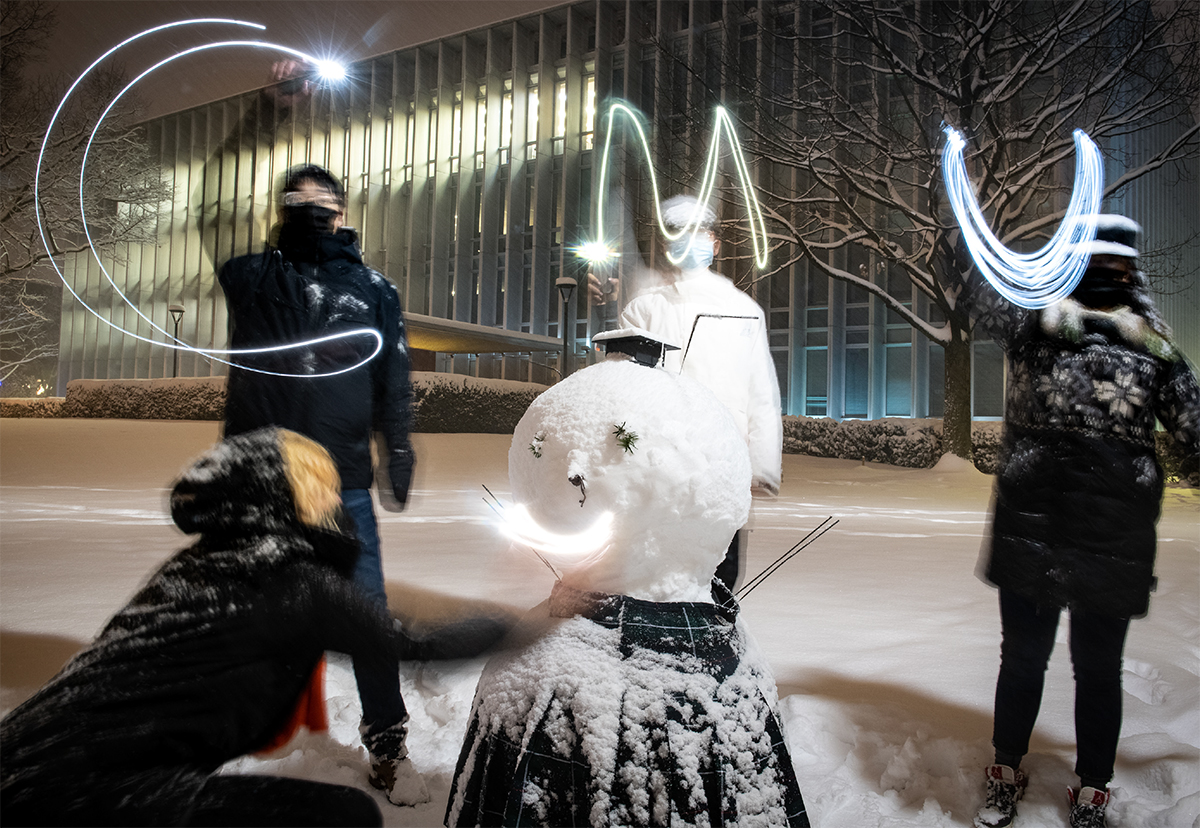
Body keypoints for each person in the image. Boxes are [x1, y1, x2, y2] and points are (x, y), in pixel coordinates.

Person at [0, 428, 405, 826]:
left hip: (40, 767)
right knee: (343, 816)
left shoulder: (198, 565)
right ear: (289, 493)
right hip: (84, 793)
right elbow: (399, 640)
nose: (336, 498)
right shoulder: (279, 577)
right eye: (324, 486)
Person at [960, 215, 1200, 828]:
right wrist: (979, 233)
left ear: (1131, 269)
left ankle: (1093, 786)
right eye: (1095, 260)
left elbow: (1195, 435)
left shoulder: (1150, 344)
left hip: (1109, 535)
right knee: (1024, 659)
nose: (1105, 273)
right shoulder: (1033, 319)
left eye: (1116, 263)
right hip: (1033, 524)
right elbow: (972, 287)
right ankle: (1006, 767)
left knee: (1095, 669)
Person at [218, 163, 425, 805]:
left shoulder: (373, 289)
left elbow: (393, 376)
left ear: (341, 213)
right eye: (297, 203)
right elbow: (214, 234)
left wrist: (398, 447)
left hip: (341, 483)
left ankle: (387, 742)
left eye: (322, 204)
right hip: (268, 472)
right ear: (282, 213)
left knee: (364, 614)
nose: (312, 213)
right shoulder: (259, 281)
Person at [615, 195, 783, 591]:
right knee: (659, 571)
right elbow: (620, 389)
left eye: (700, 233)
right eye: (680, 233)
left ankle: (718, 646)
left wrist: (761, 467)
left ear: (716, 243)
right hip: (661, 465)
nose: (690, 242)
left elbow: (761, 394)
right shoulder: (644, 310)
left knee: (720, 573)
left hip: (724, 462)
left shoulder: (744, 310)